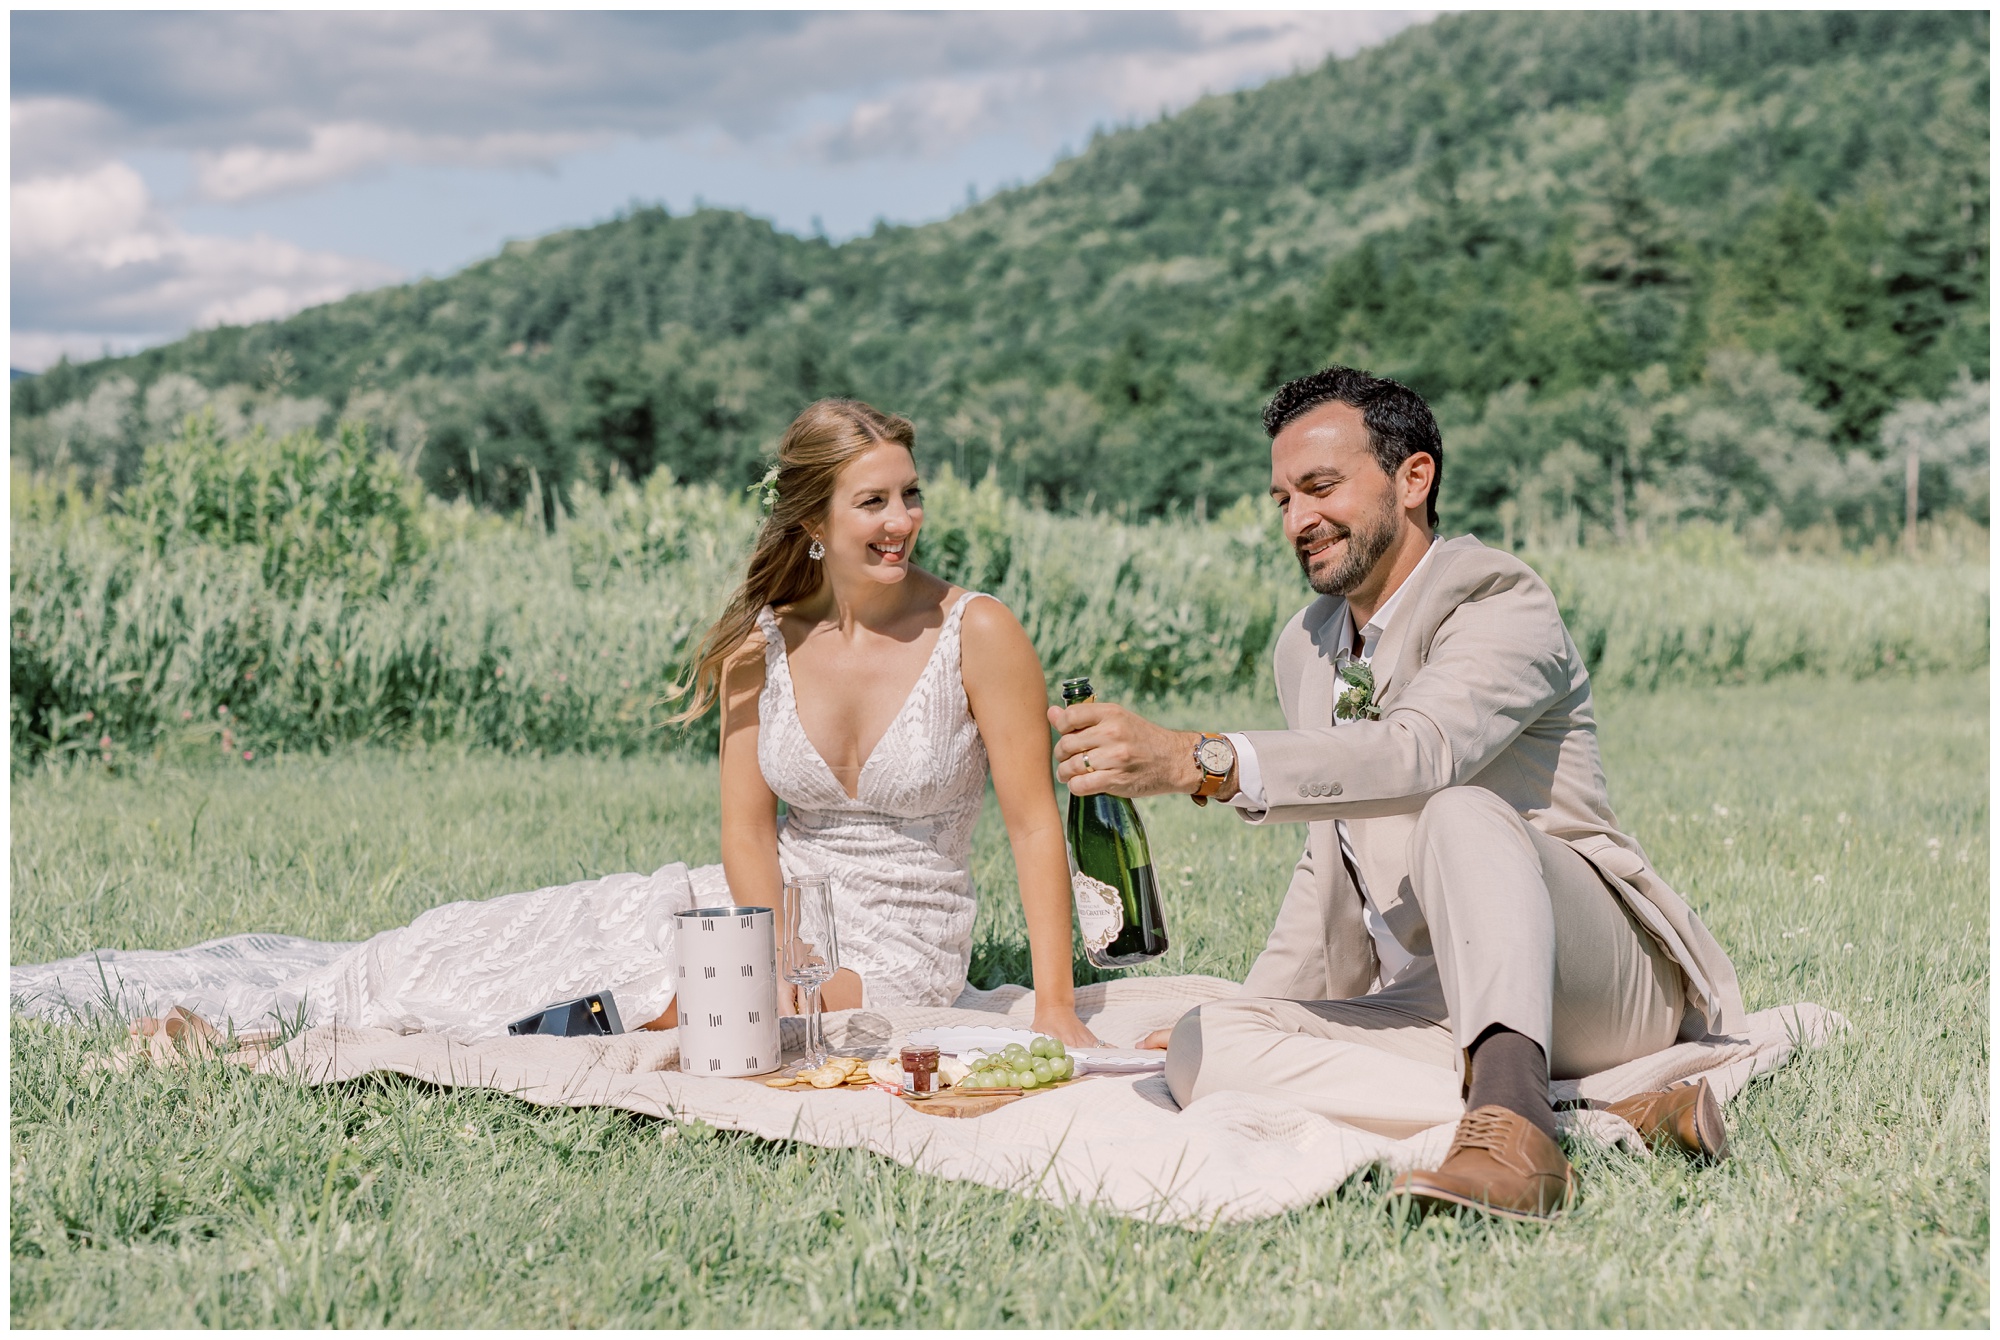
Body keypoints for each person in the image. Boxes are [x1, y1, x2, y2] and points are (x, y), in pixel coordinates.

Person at [13, 399, 1100, 1050]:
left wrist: (1051, 1002)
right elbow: (745, 834)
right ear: (812, 523)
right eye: (874, 501)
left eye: (909, 495)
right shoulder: (760, 646)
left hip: (903, 937)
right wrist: (776, 945)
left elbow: (1030, 825)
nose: (903, 521)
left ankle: (271, 1044)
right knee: (504, 940)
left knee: (673, 1006)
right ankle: (292, 1019)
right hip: (768, 909)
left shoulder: (978, 632)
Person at [1047, 366, 1745, 1222]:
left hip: (1591, 977)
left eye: (1320, 487)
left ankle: (1523, 1144)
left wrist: (1204, 761)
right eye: (1281, 500)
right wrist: (1260, 1016)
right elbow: (1328, 861)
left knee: (1460, 812)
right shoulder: (1304, 647)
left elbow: (1420, 753)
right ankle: (1579, 1115)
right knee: (1202, 1044)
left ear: (1414, 479)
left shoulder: (1498, 597)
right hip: (1425, 998)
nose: (1298, 520)